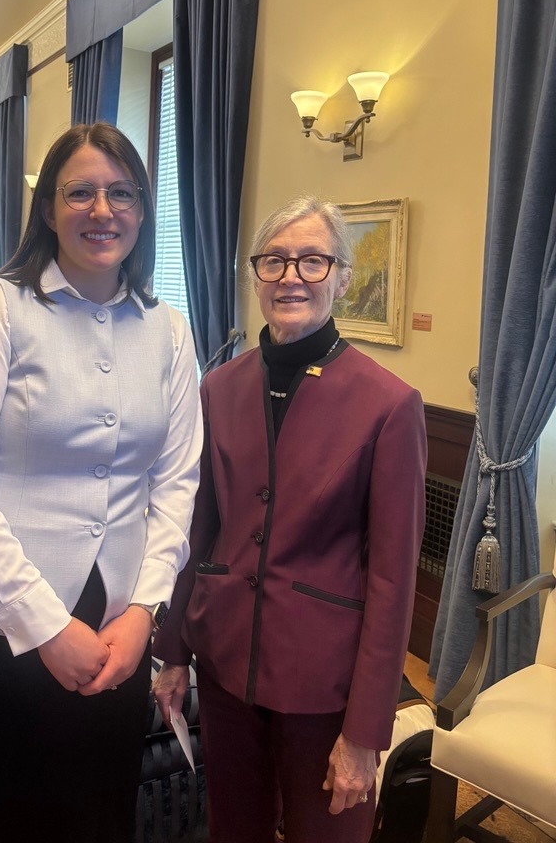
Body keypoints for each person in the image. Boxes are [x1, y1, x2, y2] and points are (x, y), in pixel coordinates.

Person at [0, 122, 202, 843]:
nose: (103, 210)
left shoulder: (169, 330)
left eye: (122, 193)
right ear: (47, 209)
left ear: (142, 209)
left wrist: (145, 611)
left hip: (112, 637)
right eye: (80, 192)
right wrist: (42, 625)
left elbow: (175, 484)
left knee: (89, 821)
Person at [152, 195, 427, 843]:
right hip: (226, 664)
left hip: (324, 680)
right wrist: (172, 653)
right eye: (273, 261)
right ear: (256, 276)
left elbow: (393, 582)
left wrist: (366, 730)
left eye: (311, 261)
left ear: (342, 277)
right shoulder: (218, 388)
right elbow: (198, 530)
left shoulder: (389, 405)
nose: (290, 277)